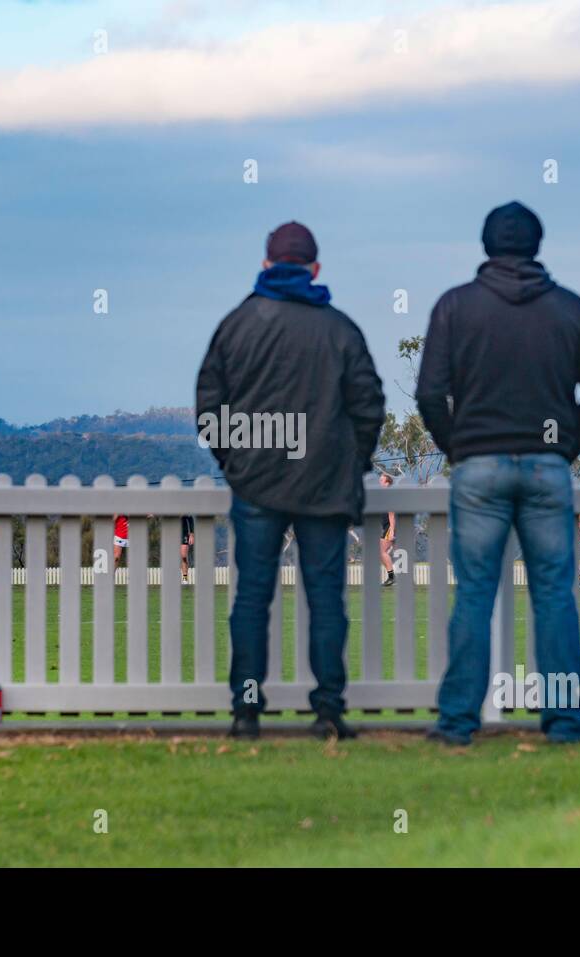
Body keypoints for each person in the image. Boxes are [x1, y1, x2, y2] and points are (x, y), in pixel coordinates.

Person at [416, 201, 580, 746]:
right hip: (547, 465)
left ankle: (458, 722)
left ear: (486, 245)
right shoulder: (570, 309)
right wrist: (568, 444)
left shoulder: (455, 308)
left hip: (479, 464)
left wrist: (459, 446)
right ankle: (565, 723)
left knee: (475, 593)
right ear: (536, 245)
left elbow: (431, 392)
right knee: (554, 593)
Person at [197, 221, 385, 740]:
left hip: (255, 483)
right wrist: (352, 463)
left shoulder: (237, 325)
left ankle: (246, 711)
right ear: (315, 269)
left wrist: (235, 462)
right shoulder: (339, 329)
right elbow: (369, 405)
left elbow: (209, 405)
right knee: (326, 600)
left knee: (252, 598)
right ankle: (327, 711)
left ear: (265, 265)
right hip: (324, 484)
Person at [378, 473, 396, 586]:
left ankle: (391, 577)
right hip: (387, 526)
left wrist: (392, 531)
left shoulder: (389, 494)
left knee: (381, 551)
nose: (379, 482)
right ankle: (393, 577)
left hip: (390, 526)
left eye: (381, 480)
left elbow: (392, 514)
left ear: (387, 483)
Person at [180, 515, 195, 582]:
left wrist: (191, 535)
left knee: (184, 556)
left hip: (183, 534)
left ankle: (185, 578)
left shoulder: (183, 507)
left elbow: (190, 518)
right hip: (171, 532)